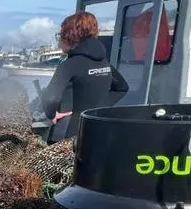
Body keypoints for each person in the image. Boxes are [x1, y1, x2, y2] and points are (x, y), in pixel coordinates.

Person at [39, 11, 128, 143]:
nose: (60, 40)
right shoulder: (104, 63)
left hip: (66, 136)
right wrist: (98, 108)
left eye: (61, 35)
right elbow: (122, 88)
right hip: (95, 132)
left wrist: (52, 114)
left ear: (71, 37)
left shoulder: (69, 65)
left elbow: (50, 98)